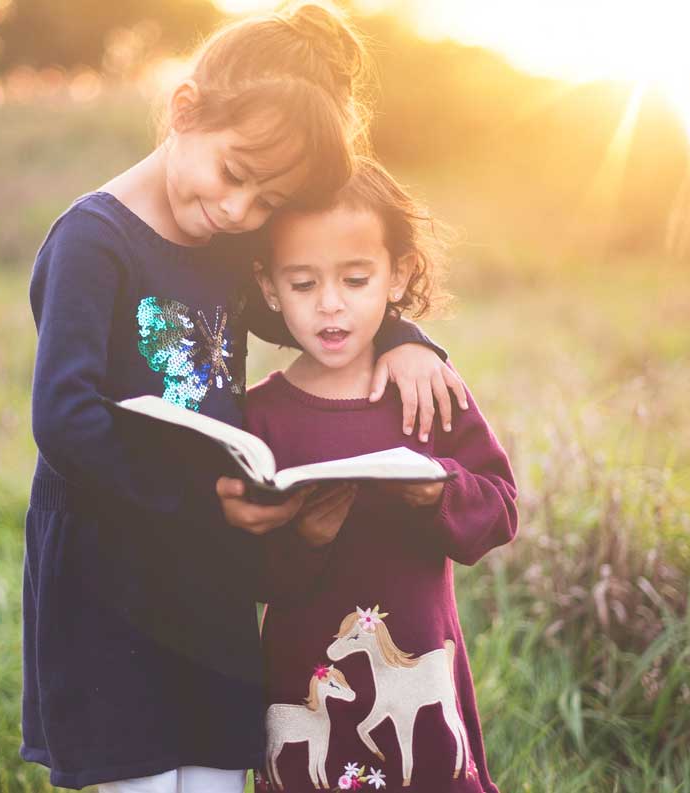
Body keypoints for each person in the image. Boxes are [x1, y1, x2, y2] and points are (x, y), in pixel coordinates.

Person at [21, 6, 466, 791]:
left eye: (267, 202)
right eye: (234, 174)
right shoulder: (94, 242)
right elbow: (64, 418)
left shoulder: (226, 250)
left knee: (221, 773)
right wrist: (204, 497)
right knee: (146, 777)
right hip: (109, 579)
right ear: (185, 110)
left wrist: (403, 337)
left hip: (211, 579)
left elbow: (314, 317)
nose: (239, 212)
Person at [246, 157, 518, 793]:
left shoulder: (427, 391)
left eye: (356, 278)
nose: (331, 304)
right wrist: (305, 536)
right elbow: (244, 571)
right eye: (303, 283)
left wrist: (439, 490)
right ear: (268, 286)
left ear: (397, 275)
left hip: (420, 664)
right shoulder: (260, 416)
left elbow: (501, 510)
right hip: (305, 675)